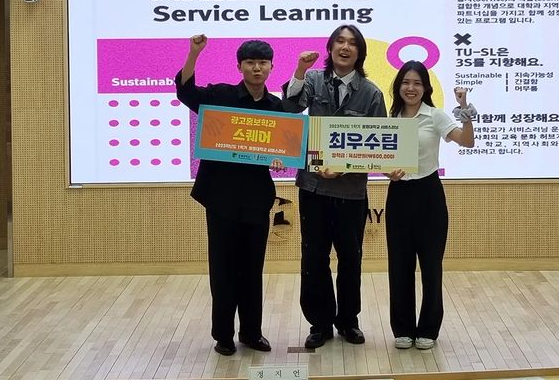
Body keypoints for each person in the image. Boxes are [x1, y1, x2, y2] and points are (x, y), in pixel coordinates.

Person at [175, 34, 283, 357]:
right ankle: (223, 335)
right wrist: (194, 53)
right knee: (222, 268)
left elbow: (283, 148)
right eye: (250, 62)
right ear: (239, 66)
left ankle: (251, 332)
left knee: (252, 269)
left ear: (271, 67)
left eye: (262, 63)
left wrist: (280, 157)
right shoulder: (220, 95)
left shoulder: (275, 106)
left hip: (256, 198)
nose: (256, 68)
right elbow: (186, 91)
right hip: (221, 197)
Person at [282, 24, 387, 349]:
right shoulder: (313, 79)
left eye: (352, 43)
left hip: (351, 192)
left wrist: (344, 166)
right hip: (313, 187)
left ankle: (348, 321)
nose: (345, 47)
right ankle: (320, 323)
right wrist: (300, 69)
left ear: (360, 52)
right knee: (313, 258)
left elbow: (380, 145)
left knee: (351, 259)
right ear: (330, 48)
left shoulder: (371, 93)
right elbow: (291, 107)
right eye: (339, 41)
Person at [384, 60, 476, 351]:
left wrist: (465, 109)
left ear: (425, 88)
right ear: (398, 86)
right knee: (399, 265)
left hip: (429, 194)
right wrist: (387, 172)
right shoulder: (390, 118)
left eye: (417, 83)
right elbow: (381, 158)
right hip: (399, 193)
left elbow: (467, 142)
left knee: (431, 265)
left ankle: (428, 329)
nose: (410, 88)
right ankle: (402, 329)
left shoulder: (435, 116)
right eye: (406, 82)